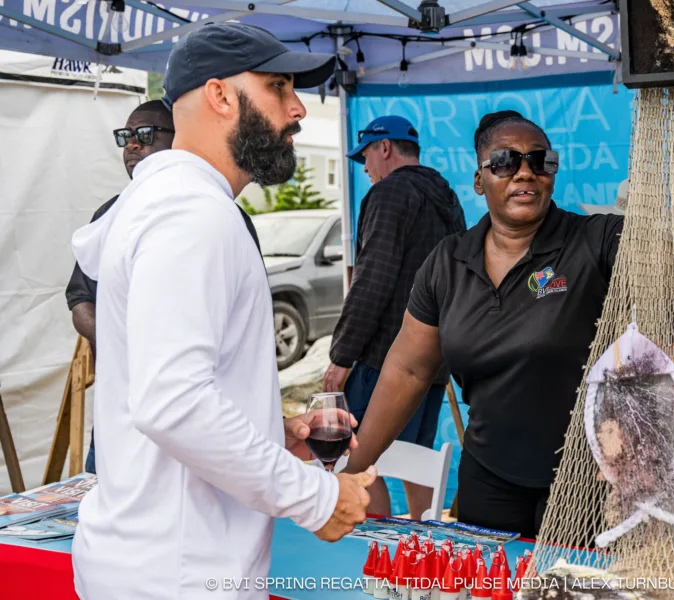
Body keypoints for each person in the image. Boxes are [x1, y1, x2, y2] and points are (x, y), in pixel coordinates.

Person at [70, 22, 376, 599]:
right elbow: (173, 402)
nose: (297, 110)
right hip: (178, 576)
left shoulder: (168, 203)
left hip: (157, 562)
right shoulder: (193, 214)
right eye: (278, 87)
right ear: (219, 96)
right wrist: (316, 498)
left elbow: (172, 385)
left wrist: (265, 428)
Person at [343, 110, 624, 539]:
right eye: (505, 162)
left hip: (584, 485)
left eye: (540, 160)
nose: (525, 173)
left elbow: (662, 264)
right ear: (479, 180)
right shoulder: (447, 262)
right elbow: (408, 369)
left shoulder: (596, 241)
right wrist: (350, 471)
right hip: (487, 478)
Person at [322, 115, 466, 520]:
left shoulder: (388, 194)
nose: (364, 167)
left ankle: (375, 550)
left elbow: (372, 279)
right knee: (414, 457)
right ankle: (424, 543)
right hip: (431, 360)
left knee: (360, 460)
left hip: (382, 358)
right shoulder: (447, 198)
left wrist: (342, 356)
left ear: (384, 148)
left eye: (365, 155)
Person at [65, 99, 176, 475]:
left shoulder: (206, 210)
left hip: (180, 411)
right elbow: (80, 300)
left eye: (145, 134)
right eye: (126, 136)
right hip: (117, 409)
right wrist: (126, 341)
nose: (132, 145)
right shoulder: (109, 215)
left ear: (179, 140)